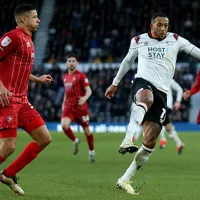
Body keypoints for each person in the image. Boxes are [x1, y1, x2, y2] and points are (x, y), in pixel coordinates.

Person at [105, 12, 200, 195]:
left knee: (150, 141)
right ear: (151, 25)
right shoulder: (139, 40)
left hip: (162, 93)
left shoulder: (176, 39)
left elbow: (196, 51)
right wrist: (115, 83)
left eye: (166, 25)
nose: (163, 28)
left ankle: (125, 180)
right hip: (142, 83)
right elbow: (127, 61)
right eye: (159, 25)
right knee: (146, 98)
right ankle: (127, 139)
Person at [0, 4, 53, 195]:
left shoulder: (28, 40)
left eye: (38, 17)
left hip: (22, 100)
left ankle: (8, 174)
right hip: (7, 101)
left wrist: (36, 79)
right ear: (23, 19)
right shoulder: (12, 37)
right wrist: (1, 87)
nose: (38, 20)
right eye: (35, 17)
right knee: (8, 147)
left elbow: (19, 68)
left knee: (44, 138)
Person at [133, 79, 184, 154]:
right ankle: (178, 143)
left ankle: (164, 140)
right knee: (166, 126)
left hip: (163, 104)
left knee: (155, 121)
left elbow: (179, 89)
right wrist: (178, 101)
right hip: (165, 105)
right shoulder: (158, 78)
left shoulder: (166, 78)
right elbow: (179, 89)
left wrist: (178, 101)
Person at [61, 54, 95, 162]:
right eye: (69, 61)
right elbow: (66, 93)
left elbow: (89, 90)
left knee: (87, 131)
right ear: (66, 63)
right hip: (69, 106)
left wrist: (84, 98)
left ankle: (91, 151)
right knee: (64, 125)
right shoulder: (65, 76)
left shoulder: (81, 76)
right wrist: (63, 104)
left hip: (81, 108)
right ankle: (75, 140)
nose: (71, 63)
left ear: (77, 63)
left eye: (73, 61)